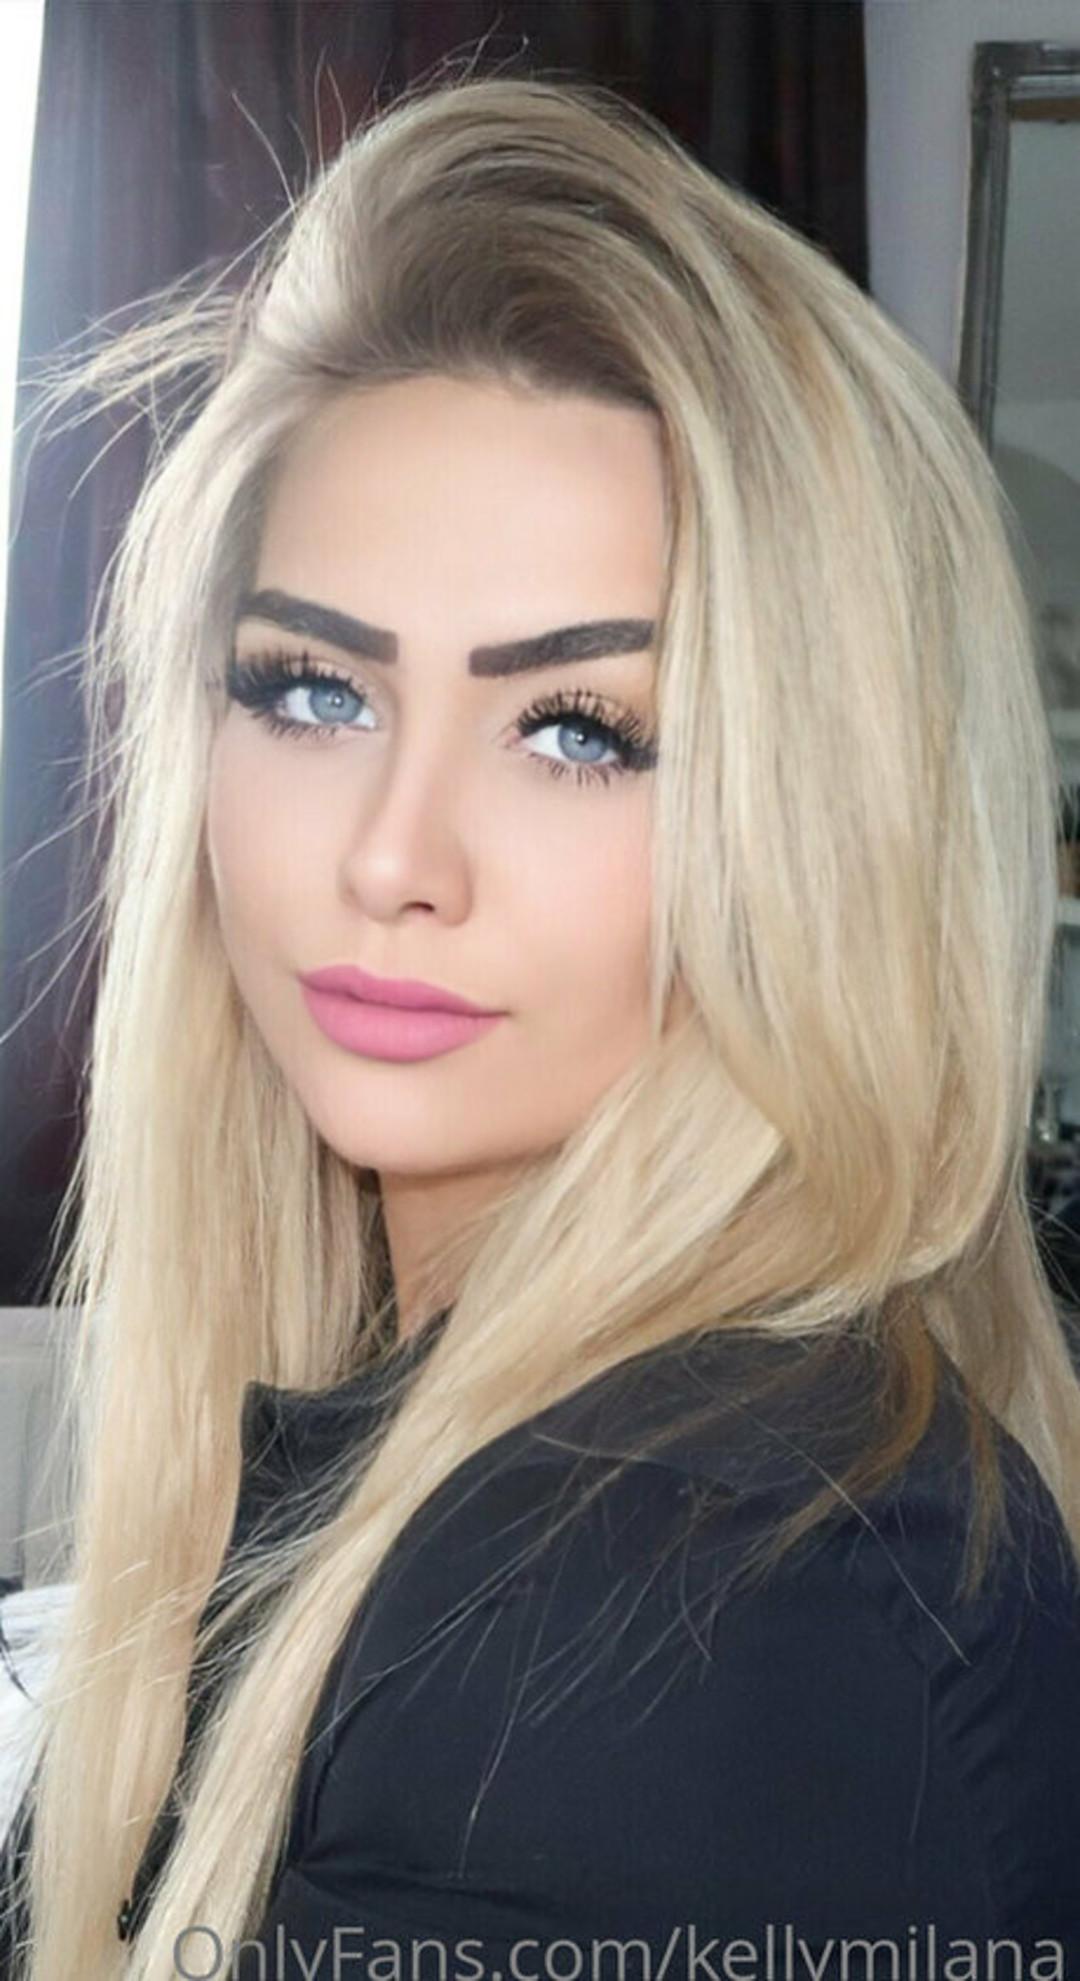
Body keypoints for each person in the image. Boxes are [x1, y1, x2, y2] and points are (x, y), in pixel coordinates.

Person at [2, 69, 1079, 1981]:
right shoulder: (526, 1457)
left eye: (579, 730)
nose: (391, 855)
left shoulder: (677, 1601)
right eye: (314, 691)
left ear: (819, 833)